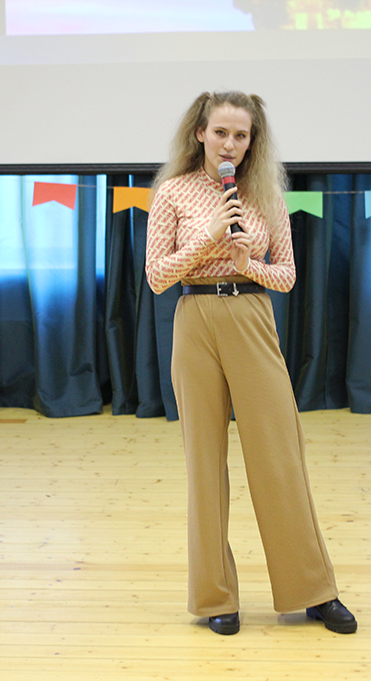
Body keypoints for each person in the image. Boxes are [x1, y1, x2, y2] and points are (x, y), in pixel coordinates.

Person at [145, 91, 356, 636]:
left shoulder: (265, 194)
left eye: (241, 135)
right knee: (204, 462)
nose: (230, 144)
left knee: (279, 456)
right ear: (200, 133)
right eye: (221, 132)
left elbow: (287, 275)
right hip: (195, 318)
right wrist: (210, 236)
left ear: (252, 140)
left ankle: (313, 591)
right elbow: (158, 277)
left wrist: (250, 263)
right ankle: (215, 597)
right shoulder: (172, 193)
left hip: (251, 313)